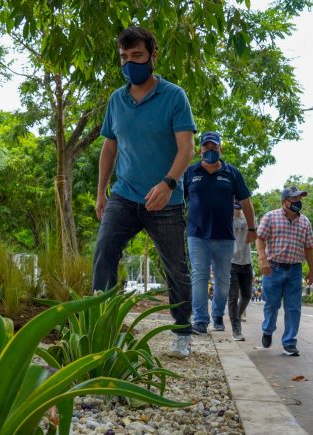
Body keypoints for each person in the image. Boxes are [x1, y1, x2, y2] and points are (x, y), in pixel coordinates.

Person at [92, 26, 196, 358]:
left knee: (176, 268)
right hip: (124, 195)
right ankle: (100, 326)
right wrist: (100, 193)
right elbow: (109, 149)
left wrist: (168, 184)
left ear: (152, 56)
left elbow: (187, 148)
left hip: (165, 199)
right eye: (124, 57)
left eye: (137, 56)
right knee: (103, 254)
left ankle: (182, 332)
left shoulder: (174, 96)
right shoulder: (116, 100)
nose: (130, 63)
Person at [184, 131, 256, 334]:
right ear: (200, 150)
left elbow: (246, 202)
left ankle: (217, 314)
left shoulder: (231, 173)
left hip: (225, 236)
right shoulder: (190, 173)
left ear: (220, 149)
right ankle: (199, 320)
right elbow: (179, 201)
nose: (210, 150)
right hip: (197, 235)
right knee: (199, 276)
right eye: (206, 147)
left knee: (223, 281)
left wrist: (252, 229)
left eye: (213, 147)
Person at [256, 186, 313, 356]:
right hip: (273, 268)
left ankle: (289, 343)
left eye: (299, 199)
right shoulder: (270, 217)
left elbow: (309, 248)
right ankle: (267, 330)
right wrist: (262, 259)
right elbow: (260, 239)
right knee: (272, 305)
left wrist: (312, 270)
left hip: (295, 270)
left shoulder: (305, 222)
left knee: (293, 308)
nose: (298, 202)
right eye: (294, 199)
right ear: (284, 202)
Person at [229, 200, 255, 340]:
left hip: (246, 262)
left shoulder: (249, 219)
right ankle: (236, 329)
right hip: (231, 263)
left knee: (247, 295)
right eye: (234, 208)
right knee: (233, 296)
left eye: (239, 208)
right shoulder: (226, 219)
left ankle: (236, 317)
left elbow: (255, 235)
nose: (237, 211)